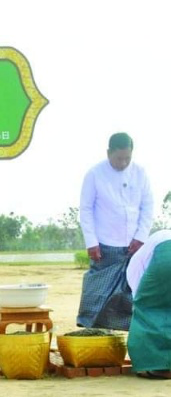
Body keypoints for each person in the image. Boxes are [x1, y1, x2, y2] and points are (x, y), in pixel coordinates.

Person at [77, 132, 154, 330]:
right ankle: (93, 334)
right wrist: (91, 242)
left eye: (127, 158)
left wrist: (141, 237)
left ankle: (126, 337)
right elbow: (85, 209)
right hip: (104, 245)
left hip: (133, 246)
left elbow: (148, 207)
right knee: (97, 294)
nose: (123, 162)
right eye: (119, 158)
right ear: (108, 153)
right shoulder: (95, 174)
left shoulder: (140, 173)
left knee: (130, 295)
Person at [126, 229, 171, 379]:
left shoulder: (133, 266)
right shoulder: (153, 241)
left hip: (166, 252)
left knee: (146, 310)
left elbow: (140, 298)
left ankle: (156, 367)